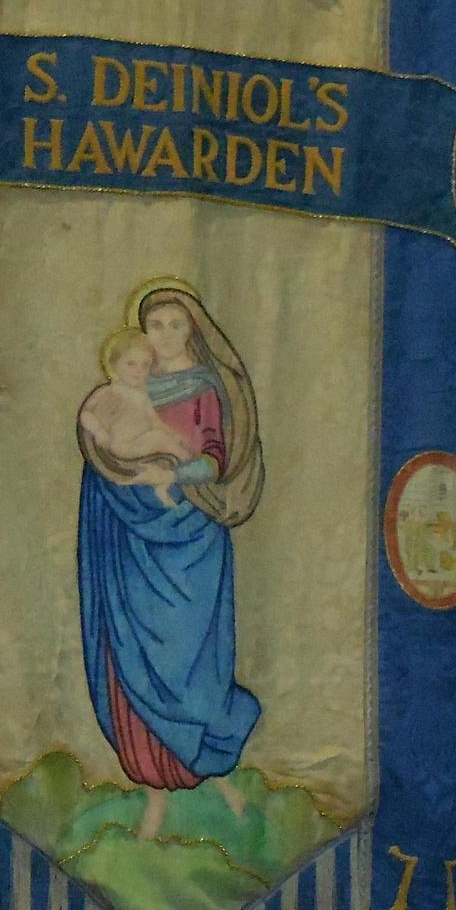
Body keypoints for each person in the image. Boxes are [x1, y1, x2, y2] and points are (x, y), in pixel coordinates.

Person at [76, 280, 266, 842]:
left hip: (190, 538)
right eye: (154, 326)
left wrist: (171, 475)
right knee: (133, 656)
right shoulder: (127, 383)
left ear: (193, 329)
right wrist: (127, 472)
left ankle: (214, 775)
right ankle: (155, 796)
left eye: (174, 325)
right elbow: (101, 447)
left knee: (191, 663)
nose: (163, 337)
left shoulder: (205, 387)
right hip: (129, 536)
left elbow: (215, 460)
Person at [77, 328, 190, 508]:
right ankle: (189, 465)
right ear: (114, 364)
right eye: (131, 364)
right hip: (123, 446)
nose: (138, 371)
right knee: (161, 440)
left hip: (141, 443)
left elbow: (155, 422)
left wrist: (173, 434)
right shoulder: (109, 391)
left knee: (165, 444)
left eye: (145, 365)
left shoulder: (142, 395)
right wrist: (99, 431)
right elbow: (86, 414)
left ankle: (163, 486)